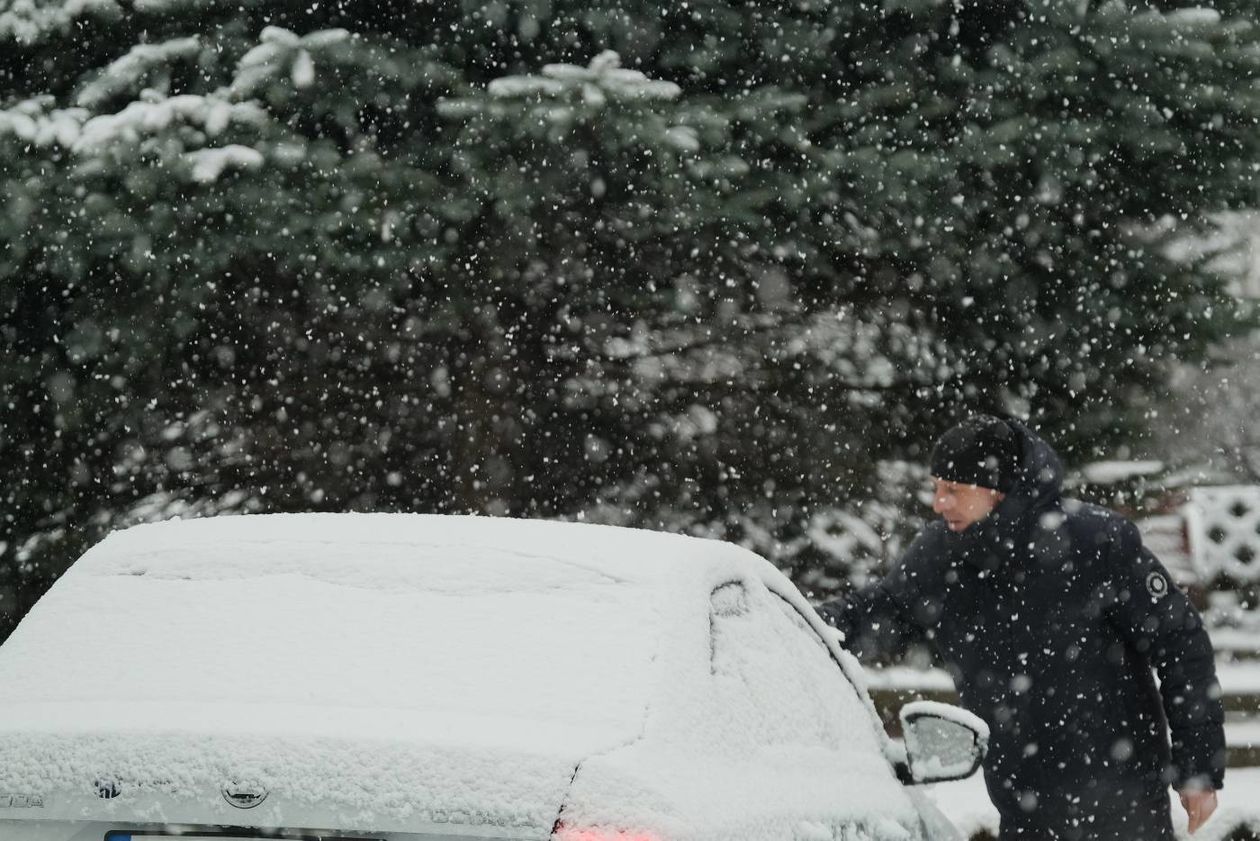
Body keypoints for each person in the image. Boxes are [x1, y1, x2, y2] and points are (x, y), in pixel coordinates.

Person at [819, 415, 1225, 841]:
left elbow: (1181, 641)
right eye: (937, 488)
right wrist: (802, 625)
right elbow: (875, 613)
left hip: (1124, 804)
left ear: (997, 491)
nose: (939, 503)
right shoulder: (942, 557)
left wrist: (1198, 766)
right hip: (1022, 806)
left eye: (953, 490)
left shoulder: (1094, 543)